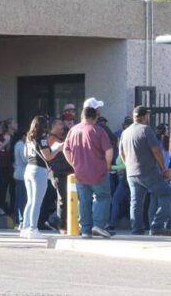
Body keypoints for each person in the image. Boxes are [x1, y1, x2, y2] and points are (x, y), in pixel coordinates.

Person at [119, 106, 171, 236]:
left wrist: (128, 165)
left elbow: (121, 152)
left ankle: (137, 230)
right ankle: (157, 226)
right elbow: (156, 150)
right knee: (167, 194)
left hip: (131, 173)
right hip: (147, 171)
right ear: (145, 117)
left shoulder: (125, 132)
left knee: (136, 202)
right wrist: (164, 169)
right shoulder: (146, 129)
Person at [63, 97, 113, 239]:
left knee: (84, 200)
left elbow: (66, 150)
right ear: (94, 116)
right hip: (98, 171)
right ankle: (98, 225)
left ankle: (85, 229)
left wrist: (73, 164)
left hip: (80, 172)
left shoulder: (73, 130)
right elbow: (109, 151)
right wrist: (107, 166)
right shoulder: (98, 130)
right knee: (103, 197)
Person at [21, 116, 59, 239]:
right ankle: (33, 229)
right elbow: (47, 156)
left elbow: (25, 154)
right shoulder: (42, 138)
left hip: (28, 169)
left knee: (30, 201)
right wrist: (58, 149)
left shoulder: (29, 138)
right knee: (37, 202)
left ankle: (25, 228)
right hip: (39, 170)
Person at [45, 118, 73, 233]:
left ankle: (60, 222)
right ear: (53, 126)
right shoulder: (51, 138)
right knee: (62, 199)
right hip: (58, 173)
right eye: (60, 124)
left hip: (67, 172)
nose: (62, 126)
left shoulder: (61, 137)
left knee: (66, 199)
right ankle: (60, 225)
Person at [12, 130, 27, 228]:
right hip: (21, 175)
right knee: (21, 199)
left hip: (19, 174)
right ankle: (20, 219)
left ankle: (19, 219)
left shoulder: (18, 144)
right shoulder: (21, 145)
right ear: (23, 135)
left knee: (20, 198)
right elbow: (25, 160)